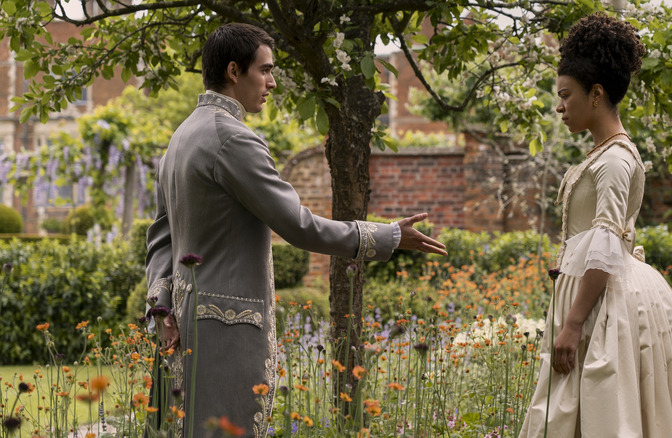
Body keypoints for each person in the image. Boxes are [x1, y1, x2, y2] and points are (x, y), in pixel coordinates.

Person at [144, 22, 447, 437]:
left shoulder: (180, 138)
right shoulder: (233, 140)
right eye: (265, 70)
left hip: (181, 327)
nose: (271, 83)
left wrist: (160, 305)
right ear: (234, 71)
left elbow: (160, 235)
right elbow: (297, 225)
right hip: (224, 335)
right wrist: (385, 236)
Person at [518, 13, 672, 438]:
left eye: (566, 95)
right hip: (591, 295)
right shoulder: (602, 155)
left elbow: (605, 243)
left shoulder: (615, 160)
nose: (559, 106)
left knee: (607, 407)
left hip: (603, 304)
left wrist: (575, 323)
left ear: (596, 94)